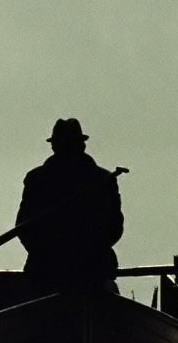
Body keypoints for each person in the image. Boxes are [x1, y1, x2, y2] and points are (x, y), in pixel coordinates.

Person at [16, 117, 124, 288]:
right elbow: (115, 227)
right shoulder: (102, 179)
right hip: (65, 268)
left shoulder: (37, 179)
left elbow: (114, 226)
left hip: (78, 268)